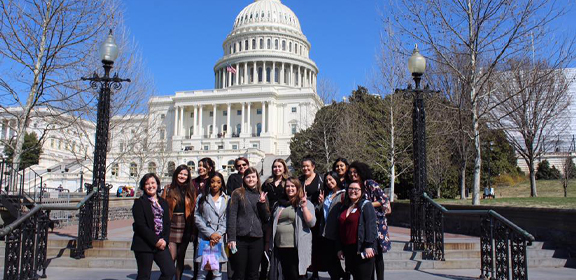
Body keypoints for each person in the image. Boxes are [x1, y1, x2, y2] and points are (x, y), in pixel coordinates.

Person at [348, 161, 391, 280]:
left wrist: (367, 205)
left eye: (355, 172)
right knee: (369, 256)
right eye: (350, 173)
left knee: (377, 255)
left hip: (376, 222)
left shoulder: (369, 183)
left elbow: (383, 199)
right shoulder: (354, 186)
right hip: (363, 222)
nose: (353, 175)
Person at [267, 177, 316, 280]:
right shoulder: (279, 204)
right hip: (279, 245)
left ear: (298, 188)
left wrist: (304, 207)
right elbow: (271, 222)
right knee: (282, 274)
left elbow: (311, 223)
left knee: (295, 275)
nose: (290, 188)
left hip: (295, 247)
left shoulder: (304, 203)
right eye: (288, 186)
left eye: (293, 186)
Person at [226, 167, 270, 280]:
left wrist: (262, 203)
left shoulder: (262, 195)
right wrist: (231, 238)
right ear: (244, 178)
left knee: (253, 273)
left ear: (257, 178)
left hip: (257, 239)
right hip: (240, 238)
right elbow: (232, 216)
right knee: (239, 273)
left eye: (253, 177)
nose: (251, 179)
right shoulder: (237, 193)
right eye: (248, 177)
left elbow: (266, 218)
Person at [131, 173, 175, 280]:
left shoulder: (163, 202)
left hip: (161, 243)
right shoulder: (139, 203)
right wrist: (156, 241)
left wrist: (165, 240)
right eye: (147, 184)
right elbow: (141, 226)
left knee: (169, 271)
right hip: (145, 244)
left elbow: (167, 224)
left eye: (153, 183)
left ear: (157, 184)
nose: (150, 186)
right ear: (143, 186)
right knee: (144, 275)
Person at [335, 182, 377, 280]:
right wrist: (339, 248)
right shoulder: (344, 207)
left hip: (361, 249)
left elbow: (371, 225)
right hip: (348, 250)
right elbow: (339, 229)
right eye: (350, 188)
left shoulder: (365, 205)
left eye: (356, 189)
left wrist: (369, 245)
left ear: (361, 191)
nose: (353, 191)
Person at [161, 164, 196, 280]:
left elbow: (193, 209)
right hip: (172, 224)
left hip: (186, 224)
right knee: (172, 256)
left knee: (181, 256)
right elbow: (161, 207)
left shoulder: (191, 190)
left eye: (185, 174)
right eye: (181, 173)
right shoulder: (168, 188)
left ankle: (178, 278)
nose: (182, 176)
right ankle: (167, 277)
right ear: (176, 174)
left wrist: (192, 230)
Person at [194, 172, 229, 280]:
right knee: (202, 272)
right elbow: (197, 217)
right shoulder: (202, 197)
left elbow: (227, 219)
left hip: (219, 239)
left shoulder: (227, 199)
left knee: (217, 272)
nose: (215, 185)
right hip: (205, 238)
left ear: (222, 183)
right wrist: (210, 234)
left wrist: (217, 234)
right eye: (212, 182)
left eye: (218, 182)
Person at [260, 158, 290, 280]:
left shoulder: (288, 182)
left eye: (279, 166)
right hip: (268, 217)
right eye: (275, 167)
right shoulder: (267, 183)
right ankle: (264, 274)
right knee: (266, 246)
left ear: (284, 168)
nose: (277, 169)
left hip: (282, 217)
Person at [318, 171, 346, 280]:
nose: (329, 182)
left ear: (336, 179)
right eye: (327, 181)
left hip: (336, 232)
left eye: (331, 179)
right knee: (328, 260)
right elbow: (323, 212)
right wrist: (321, 203)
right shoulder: (328, 195)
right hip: (326, 232)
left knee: (332, 260)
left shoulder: (343, 194)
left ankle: (340, 276)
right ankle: (342, 275)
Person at [298, 157, 323, 280]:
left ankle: (315, 272)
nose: (305, 168)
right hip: (303, 214)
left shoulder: (320, 179)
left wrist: (322, 202)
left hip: (316, 215)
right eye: (303, 166)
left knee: (315, 245)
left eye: (307, 166)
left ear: (313, 166)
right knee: (303, 243)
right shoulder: (300, 180)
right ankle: (304, 269)